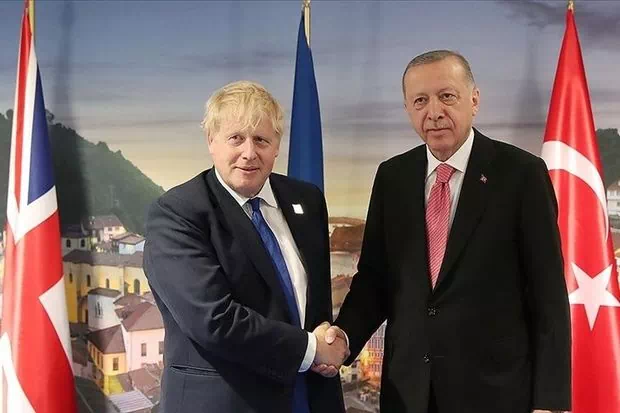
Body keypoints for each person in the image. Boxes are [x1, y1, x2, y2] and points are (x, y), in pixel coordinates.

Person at [319, 50, 571, 413]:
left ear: (474, 100)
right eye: (420, 100)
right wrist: (344, 337)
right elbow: (375, 280)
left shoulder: (522, 174)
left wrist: (551, 401)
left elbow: (548, 295)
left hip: (495, 395)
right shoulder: (392, 177)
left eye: (446, 96)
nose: (434, 112)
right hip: (408, 395)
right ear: (407, 109)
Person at [143, 80, 348, 413]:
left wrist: (327, 340)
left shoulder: (306, 200)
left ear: (277, 146)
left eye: (261, 140)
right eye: (236, 138)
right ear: (211, 141)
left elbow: (317, 306)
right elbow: (214, 320)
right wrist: (311, 349)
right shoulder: (177, 213)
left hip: (309, 397)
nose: (249, 153)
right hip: (226, 403)